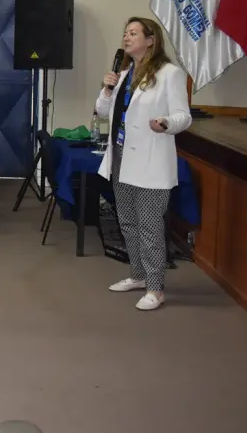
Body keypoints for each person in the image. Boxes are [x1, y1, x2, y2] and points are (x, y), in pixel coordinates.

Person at [98, 17, 192, 311]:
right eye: (125, 33)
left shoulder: (169, 73)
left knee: (150, 226)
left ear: (151, 39)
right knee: (127, 222)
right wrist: (107, 89)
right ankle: (138, 276)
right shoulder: (125, 74)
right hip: (122, 158)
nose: (126, 38)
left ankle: (156, 288)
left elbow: (183, 116)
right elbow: (102, 112)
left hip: (151, 161)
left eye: (134, 33)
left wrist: (165, 122)